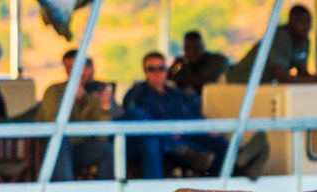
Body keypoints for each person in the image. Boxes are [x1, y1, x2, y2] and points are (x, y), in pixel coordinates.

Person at [120, 51, 228, 179]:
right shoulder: (137, 93)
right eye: (151, 69)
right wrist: (167, 133)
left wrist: (207, 129)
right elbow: (131, 118)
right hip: (162, 146)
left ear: (166, 70)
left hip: (187, 138)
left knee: (221, 145)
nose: (157, 73)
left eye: (161, 68)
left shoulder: (178, 94)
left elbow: (194, 116)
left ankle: (242, 178)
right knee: (140, 121)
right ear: (145, 71)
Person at [35, 49, 114, 180]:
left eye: (90, 77)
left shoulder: (95, 94)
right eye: (82, 77)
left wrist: (104, 108)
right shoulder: (53, 92)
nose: (86, 82)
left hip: (81, 148)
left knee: (106, 149)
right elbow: (54, 125)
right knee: (61, 144)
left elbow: (102, 136)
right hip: (56, 148)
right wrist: (71, 101)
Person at [225, 4, 317, 84]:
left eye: (308, 22)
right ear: (291, 21)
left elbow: (302, 73)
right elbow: (282, 77)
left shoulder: (304, 40)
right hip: (238, 81)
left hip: (259, 84)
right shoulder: (281, 37)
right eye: (301, 22)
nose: (306, 27)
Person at [167, 30, 229, 96]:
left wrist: (178, 78)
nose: (192, 52)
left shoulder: (215, 60)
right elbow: (166, 77)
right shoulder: (184, 63)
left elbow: (209, 81)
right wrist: (174, 65)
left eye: (196, 47)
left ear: (202, 46)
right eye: (188, 48)